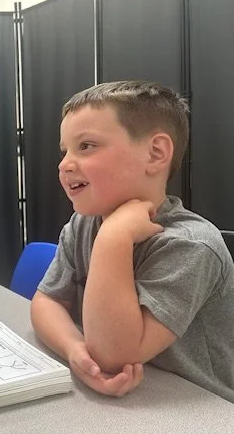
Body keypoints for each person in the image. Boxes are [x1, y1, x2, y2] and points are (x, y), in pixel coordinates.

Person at [30, 80, 234, 402]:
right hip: (129, 401)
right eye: (64, 150)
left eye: (86, 146)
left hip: (201, 411)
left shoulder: (192, 246)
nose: (64, 163)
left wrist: (114, 237)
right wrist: (74, 348)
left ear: (155, 153)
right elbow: (47, 301)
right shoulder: (82, 225)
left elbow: (114, 354)